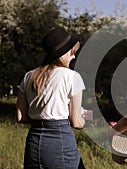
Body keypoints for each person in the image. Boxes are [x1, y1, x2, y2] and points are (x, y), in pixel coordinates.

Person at [16, 27, 87, 169]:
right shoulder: (72, 76)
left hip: (33, 144)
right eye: (72, 53)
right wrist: (84, 118)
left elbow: (20, 117)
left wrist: (44, 118)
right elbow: (77, 123)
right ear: (63, 53)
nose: (73, 57)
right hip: (60, 142)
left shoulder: (29, 76)